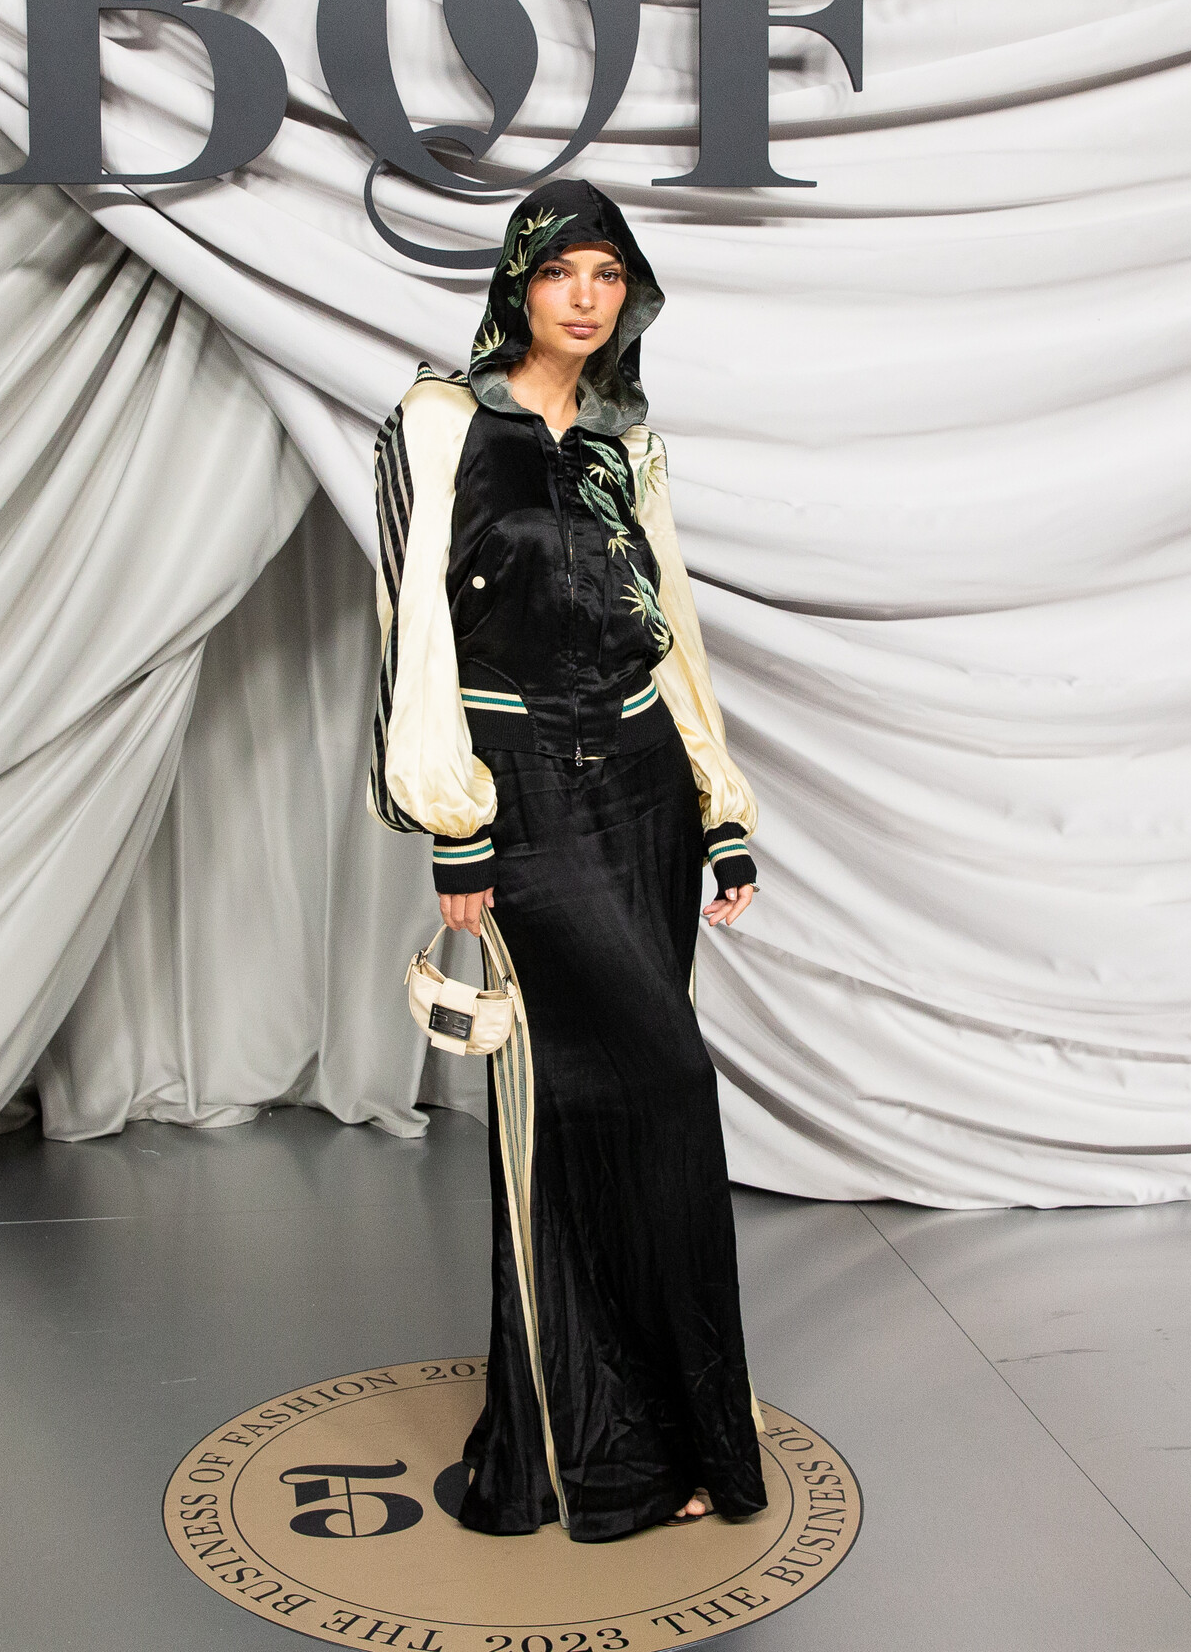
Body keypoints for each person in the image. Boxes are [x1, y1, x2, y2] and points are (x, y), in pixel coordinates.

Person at [369, 178, 765, 1542]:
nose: (587, 299)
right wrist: (455, 825)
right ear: (518, 285)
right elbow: (412, 632)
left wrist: (718, 802)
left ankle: (679, 1439)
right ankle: (573, 1449)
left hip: (647, 788)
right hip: (522, 789)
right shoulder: (438, 422)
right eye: (562, 273)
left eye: (609, 274)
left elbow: (673, 624)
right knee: (584, 1100)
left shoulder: (624, 439)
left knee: (652, 1105)